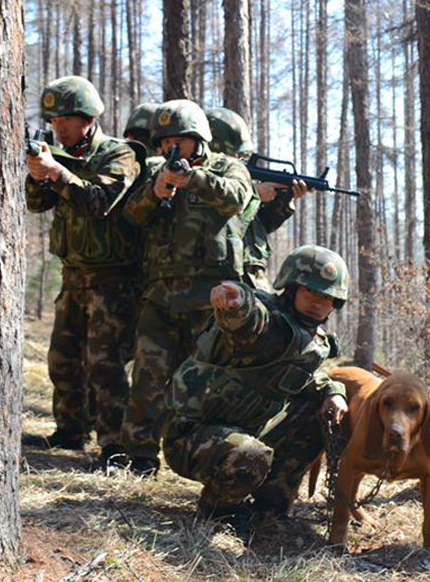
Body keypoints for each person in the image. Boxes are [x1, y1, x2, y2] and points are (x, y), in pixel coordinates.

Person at [120, 99, 259, 475]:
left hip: (208, 299)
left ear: (199, 139)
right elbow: (131, 215)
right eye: (164, 142)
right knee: (148, 375)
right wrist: (157, 190)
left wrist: (193, 179)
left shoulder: (226, 167)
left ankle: (202, 457)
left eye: (178, 140)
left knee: (203, 383)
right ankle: (139, 458)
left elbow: (238, 198)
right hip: (161, 295)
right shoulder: (155, 171)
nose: (170, 148)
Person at [163, 245, 349, 519]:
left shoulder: (310, 338)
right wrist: (236, 301)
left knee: (317, 413)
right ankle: (219, 510)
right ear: (291, 287)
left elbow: (304, 377)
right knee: (251, 454)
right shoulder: (269, 322)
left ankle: (269, 507)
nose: (317, 302)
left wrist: (334, 391)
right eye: (310, 291)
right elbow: (248, 319)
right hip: (191, 437)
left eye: (327, 297)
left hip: (243, 435)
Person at [23, 75, 140, 470]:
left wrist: (57, 172)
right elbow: (36, 204)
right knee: (63, 359)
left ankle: (113, 447)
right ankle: (70, 431)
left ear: (89, 118)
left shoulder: (119, 155)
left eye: (66, 119)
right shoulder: (60, 156)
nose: (59, 127)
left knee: (104, 365)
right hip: (72, 276)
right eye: (54, 120)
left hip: (112, 281)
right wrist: (38, 173)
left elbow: (102, 201)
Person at [206, 107, 308, 291]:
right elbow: (217, 225)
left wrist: (283, 200)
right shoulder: (204, 186)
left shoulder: (240, 181)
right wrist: (254, 194)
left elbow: (258, 226)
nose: (238, 161)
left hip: (252, 288)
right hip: (225, 288)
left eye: (240, 155)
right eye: (233, 155)